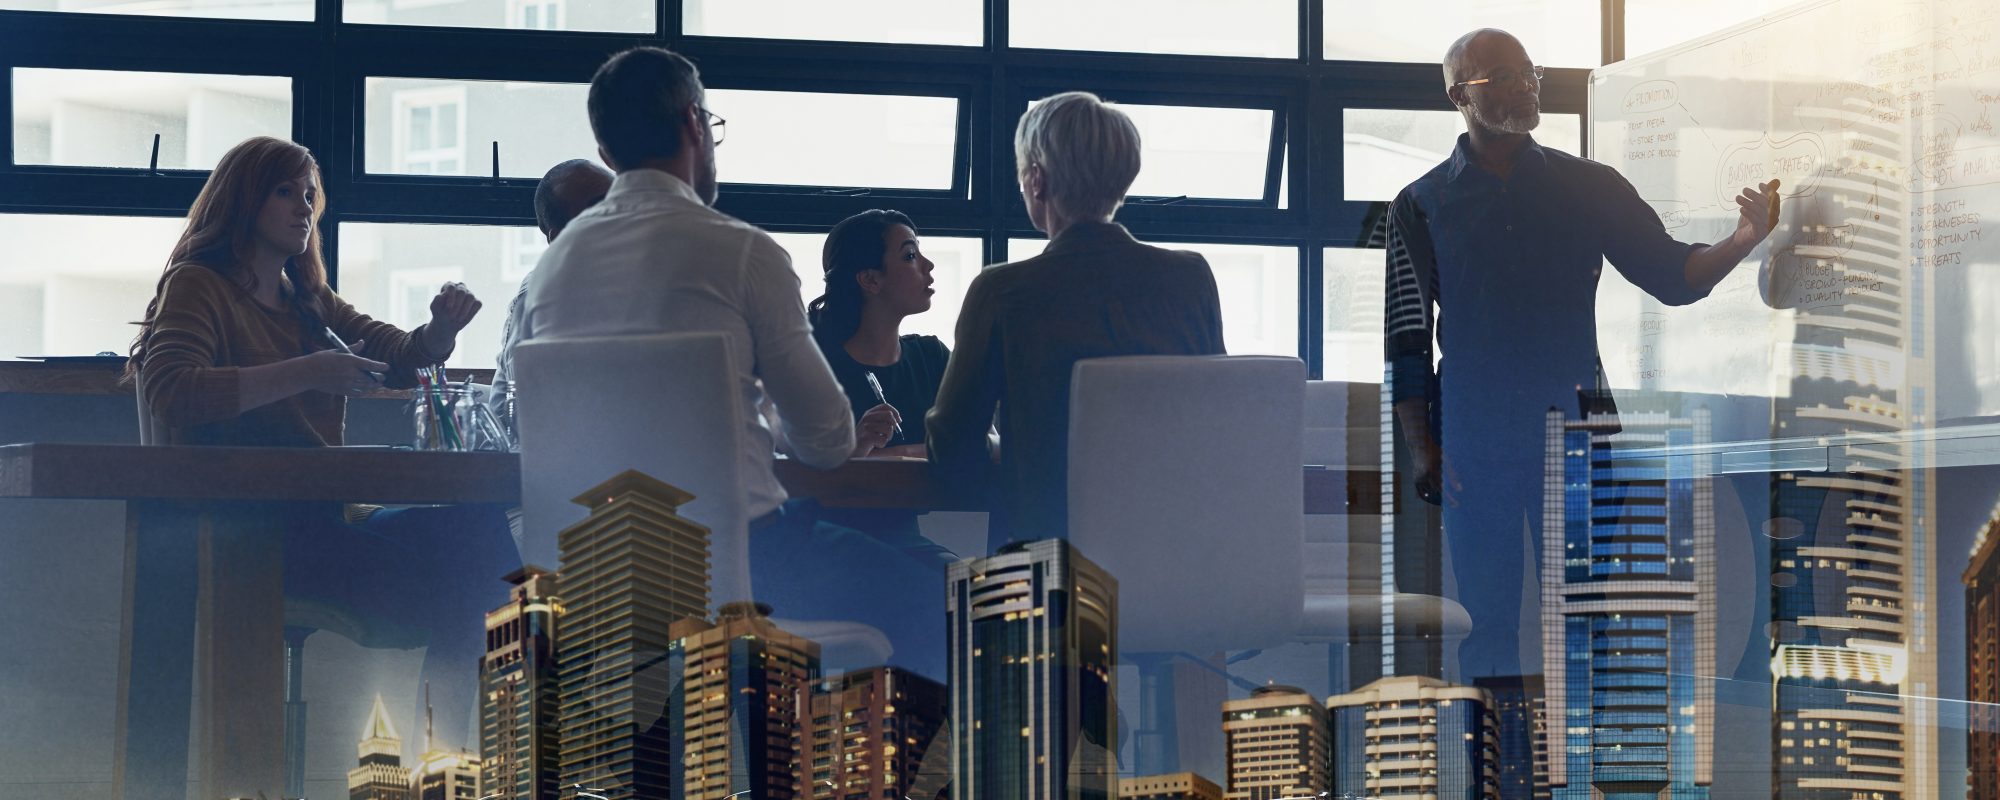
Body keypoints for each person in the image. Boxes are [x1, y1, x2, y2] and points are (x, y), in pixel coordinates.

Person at [511, 46, 942, 677]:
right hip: (748, 568)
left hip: (594, 584)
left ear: (608, 155)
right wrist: (762, 408)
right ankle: (912, 777)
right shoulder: (743, 253)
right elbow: (826, 442)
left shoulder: (548, 276)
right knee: (952, 603)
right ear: (693, 124)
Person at [1384, 28, 1777, 681]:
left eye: (1528, 71)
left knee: (1589, 615)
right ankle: (1500, 777)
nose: (1525, 85)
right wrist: (1424, 447)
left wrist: (1744, 238)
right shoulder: (1420, 204)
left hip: (1580, 434)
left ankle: (1581, 780)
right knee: (1487, 621)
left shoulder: (1589, 185)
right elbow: (1404, 336)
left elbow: (1672, 275)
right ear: (1460, 94)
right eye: (1502, 77)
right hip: (1474, 439)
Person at [126, 134, 515, 752]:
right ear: (243, 198)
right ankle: (440, 754)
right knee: (476, 574)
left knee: (483, 537)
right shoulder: (199, 285)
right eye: (285, 191)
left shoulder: (308, 300)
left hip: (319, 518)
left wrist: (440, 330)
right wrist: (306, 372)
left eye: (311, 196)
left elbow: (397, 356)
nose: (304, 207)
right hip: (250, 531)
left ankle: (440, 752)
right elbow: (173, 389)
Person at [927, 91, 1226, 549]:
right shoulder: (1191, 279)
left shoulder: (1003, 291)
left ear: (1036, 180)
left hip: (1048, 563)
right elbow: (1216, 419)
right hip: (1178, 550)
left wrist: (1001, 457)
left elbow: (953, 439)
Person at [806, 208, 959, 566]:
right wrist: (860, 448)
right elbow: (794, 467)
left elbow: (980, 444)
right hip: (825, 544)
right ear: (871, 280)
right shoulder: (814, 365)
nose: (928, 265)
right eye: (910, 255)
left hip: (905, 540)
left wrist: (869, 457)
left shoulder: (932, 357)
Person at [492, 158, 614, 390]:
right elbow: (518, 405)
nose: (620, 215)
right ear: (560, 239)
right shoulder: (539, 295)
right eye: (601, 209)